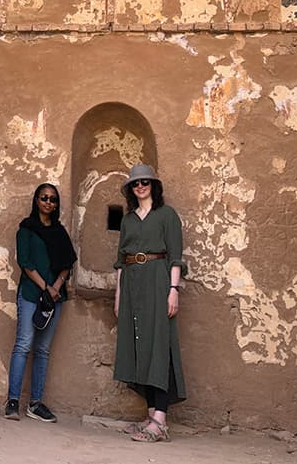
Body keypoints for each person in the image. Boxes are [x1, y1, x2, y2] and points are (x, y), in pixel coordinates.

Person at [113, 163, 187, 442]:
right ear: (131, 189)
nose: (140, 186)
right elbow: (121, 261)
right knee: (138, 344)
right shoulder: (128, 220)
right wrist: (119, 295)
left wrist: (173, 290)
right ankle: (151, 415)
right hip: (132, 283)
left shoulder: (167, 215)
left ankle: (160, 421)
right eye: (135, 183)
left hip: (158, 280)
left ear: (154, 185)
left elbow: (176, 256)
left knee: (159, 345)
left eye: (145, 182)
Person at [5, 182, 77, 423]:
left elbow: (67, 262)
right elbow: (25, 263)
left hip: (54, 297)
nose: (48, 202)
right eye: (44, 197)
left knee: (43, 350)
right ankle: (13, 400)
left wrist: (56, 286)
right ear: (36, 200)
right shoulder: (26, 229)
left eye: (53, 199)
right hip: (31, 294)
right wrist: (46, 287)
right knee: (24, 344)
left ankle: (35, 404)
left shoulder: (59, 232)